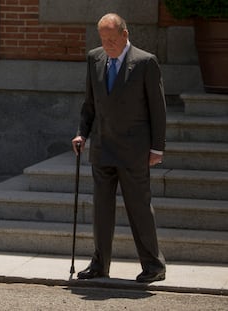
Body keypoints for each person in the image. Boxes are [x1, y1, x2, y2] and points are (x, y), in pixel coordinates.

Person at [72, 13, 166, 283]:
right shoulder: (95, 58)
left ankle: (153, 264)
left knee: (139, 208)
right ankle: (100, 264)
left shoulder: (145, 62)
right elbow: (89, 103)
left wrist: (157, 149)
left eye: (112, 40)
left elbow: (157, 110)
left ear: (125, 34)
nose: (108, 45)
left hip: (134, 150)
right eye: (103, 39)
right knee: (101, 209)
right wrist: (82, 134)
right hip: (103, 147)